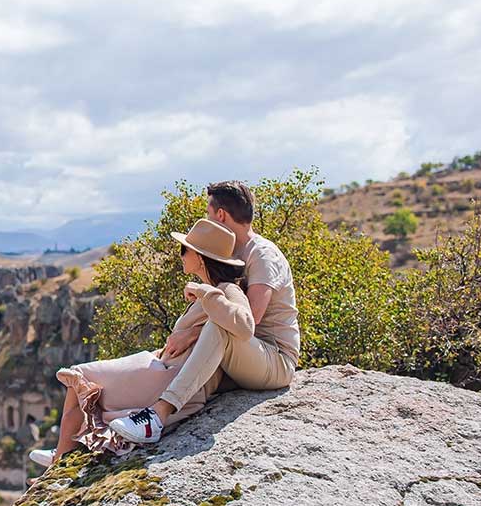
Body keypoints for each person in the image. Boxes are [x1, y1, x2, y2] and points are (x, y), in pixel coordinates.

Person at [29, 217, 253, 467]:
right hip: (162, 366)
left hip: (171, 377)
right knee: (80, 377)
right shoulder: (210, 289)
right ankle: (62, 452)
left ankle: (60, 456)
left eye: (184, 249)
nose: (180, 255)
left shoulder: (227, 289)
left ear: (200, 257)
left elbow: (244, 325)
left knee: (81, 377)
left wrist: (203, 295)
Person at [107, 180, 300, 445]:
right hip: (239, 357)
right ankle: (113, 432)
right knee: (180, 371)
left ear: (220, 215)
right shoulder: (229, 251)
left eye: (208, 213)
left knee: (219, 327)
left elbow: (249, 321)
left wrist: (191, 334)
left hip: (273, 358)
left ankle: (158, 415)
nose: (207, 219)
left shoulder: (262, 255)